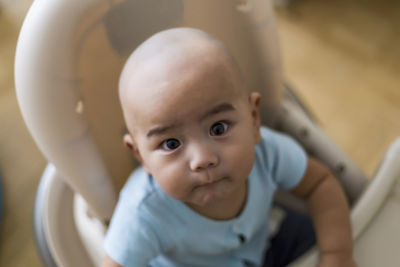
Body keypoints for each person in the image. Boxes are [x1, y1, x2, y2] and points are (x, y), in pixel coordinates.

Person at [102, 28, 357, 267]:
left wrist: (338, 253)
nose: (202, 159)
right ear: (140, 155)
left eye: (218, 128)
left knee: (311, 230)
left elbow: (320, 185)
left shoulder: (268, 152)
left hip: (267, 238)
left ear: (253, 119)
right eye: (171, 144)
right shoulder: (144, 213)